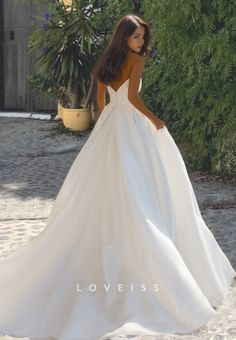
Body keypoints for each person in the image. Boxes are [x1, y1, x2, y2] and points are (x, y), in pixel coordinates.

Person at [0, 13, 235, 340]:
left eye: (142, 37)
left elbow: (100, 100)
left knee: (109, 186)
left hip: (110, 126)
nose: (141, 42)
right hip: (132, 126)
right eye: (136, 36)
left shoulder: (106, 61)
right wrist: (155, 121)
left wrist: (105, 120)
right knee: (142, 188)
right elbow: (135, 99)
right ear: (124, 37)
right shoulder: (136, 61)